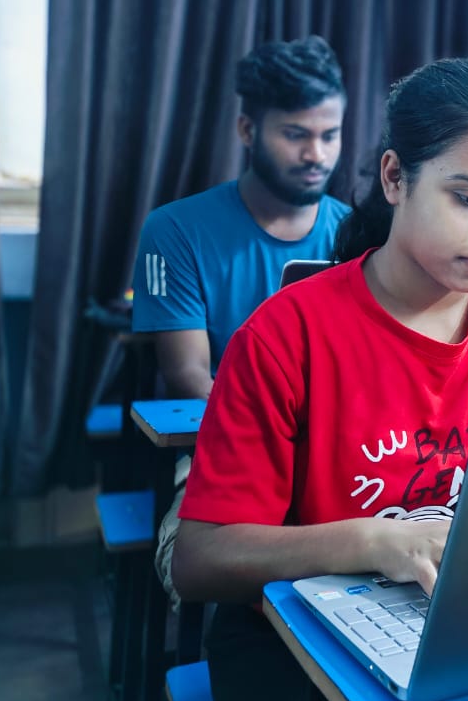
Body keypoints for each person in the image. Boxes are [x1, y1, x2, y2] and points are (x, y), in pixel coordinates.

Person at [170, 59, 468, 701]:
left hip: (464, 623)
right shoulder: (286, 335)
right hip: (301, 642)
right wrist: (375, 541)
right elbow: (202, 558)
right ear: (395, 179)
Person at [131, 34, 350, 601]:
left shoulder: (356, 234)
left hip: (340, 455)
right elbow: (188, 377)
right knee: (240, 580)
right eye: (296, 134)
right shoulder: (175, 230)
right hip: (227, 452)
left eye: (330, 135)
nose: (317, 154)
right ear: (248, 130)